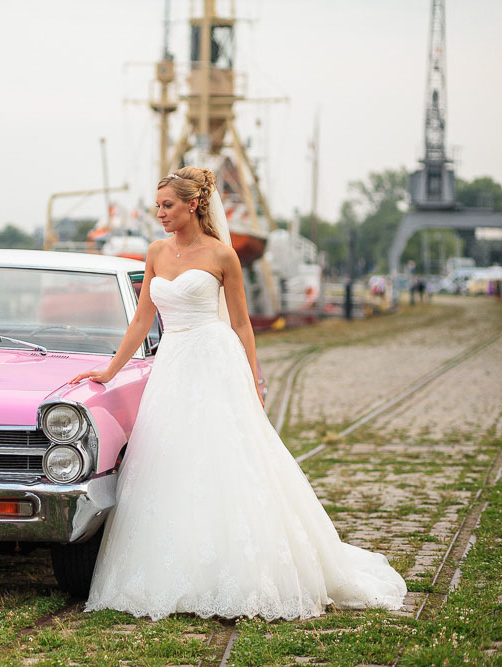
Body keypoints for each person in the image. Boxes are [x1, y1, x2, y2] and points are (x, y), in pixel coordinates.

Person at [71, 167, 406, 621]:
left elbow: (242, 323)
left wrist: (251, 378)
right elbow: (141, 320)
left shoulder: (223, 255)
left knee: (225, 456)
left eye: (167, 205)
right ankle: (177, 570)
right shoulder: (154, 252)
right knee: (170, 462)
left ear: (192, 205)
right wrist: (110, 370)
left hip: (214, 359)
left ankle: (241, 571)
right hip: (172, 365)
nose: (160, 214)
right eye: (157, 206)